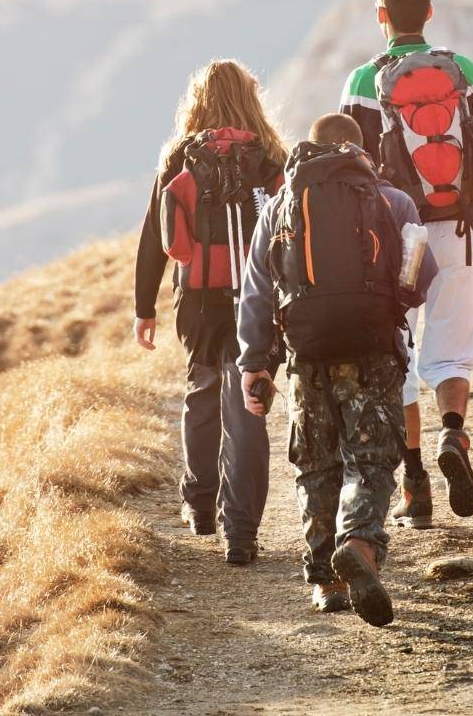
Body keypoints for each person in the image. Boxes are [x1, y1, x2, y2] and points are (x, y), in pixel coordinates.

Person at [237, 113, 437, 625]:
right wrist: (392, 307)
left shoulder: (282, 204)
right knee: (370, 459)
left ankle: (325, 581)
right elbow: (420, 268)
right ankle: (360, 545)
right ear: (362, 148)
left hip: (306, 356)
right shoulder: (392, 200)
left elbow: (257, 290)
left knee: (316, 464)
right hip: (372, 350)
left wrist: (255, 364)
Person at [340, 0, 473, 528]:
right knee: (452, 349)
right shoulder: (459, 69)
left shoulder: (366, 79)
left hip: (395, 236)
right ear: (430, 13)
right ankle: (454, 434)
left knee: (403, 353)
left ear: (381, 15)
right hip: (456, 229)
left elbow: (349, 160)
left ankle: (414, 483)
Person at [133, 59, 287, 565]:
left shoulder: (180, 156)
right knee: (249, 399)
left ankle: (200, 504)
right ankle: (240, 534)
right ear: (251, 97)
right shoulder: (268, 157)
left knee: (202, 386)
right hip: (257, 296)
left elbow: (154, 240)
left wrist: (144, 307)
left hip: (196, 298)